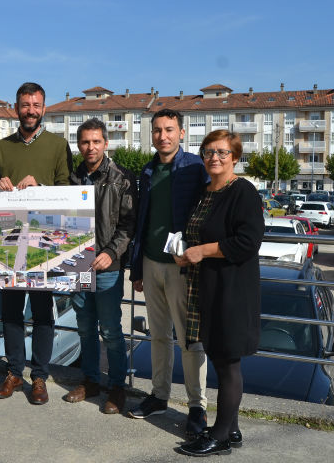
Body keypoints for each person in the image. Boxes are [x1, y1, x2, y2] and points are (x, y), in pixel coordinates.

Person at [177, 130, 264, 457]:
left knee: (227, 364)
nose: (214, 157)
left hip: (232, 291)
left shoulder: (242, 191)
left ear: (235, 157)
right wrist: (185, 252)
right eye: (209, 152)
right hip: (207, 287)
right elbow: (196, 235)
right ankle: (233, 428)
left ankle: (220, 436)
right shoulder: (205, 192)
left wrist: (204, 251)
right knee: (218, 358)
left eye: (222, 152)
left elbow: (248, 241)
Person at [0, 82, 71, 405]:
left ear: (44, 108)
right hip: (9, 245)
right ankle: (14, 372)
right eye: (25, 105)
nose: (30, 111)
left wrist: (41, 186)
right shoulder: (1, 148)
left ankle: (39, 377)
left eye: (36, 105)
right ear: (16, 107)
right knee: (10, 312)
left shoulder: (58, 145)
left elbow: (67, 191)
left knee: (42, 313)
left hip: (45, 244)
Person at [128, 109, 210, 436]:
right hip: (150, 263)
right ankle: (159, 396)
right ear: (152, 134)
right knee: (158, 336)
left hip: (182, 268)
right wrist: (136, 269)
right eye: (158, 130)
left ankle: (197, 406)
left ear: (181, 132)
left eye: (169, 129)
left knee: (190, 339)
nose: (163, 136)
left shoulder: (195, 167)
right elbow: (142, 223)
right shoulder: (147, 171)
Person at [64, 118, 137, 414]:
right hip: (79, 265)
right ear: (79, 145)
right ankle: (91, 381)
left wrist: (111, 252)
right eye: (85, 142)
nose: (90, 147)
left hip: (108, 267)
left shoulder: (122, 178)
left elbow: (128, 225)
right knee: (84, 328)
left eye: (96, 141)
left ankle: (117, 387)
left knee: (110, 330)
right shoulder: (70, 178)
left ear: (106, 143)